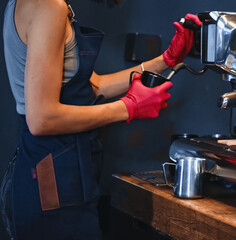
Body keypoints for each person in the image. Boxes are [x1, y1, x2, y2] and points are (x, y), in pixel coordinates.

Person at [0, 0, 202, 239]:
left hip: (53, 172)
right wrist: (128, 107)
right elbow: (41, 119)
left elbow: (93, 86)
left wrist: (167, 59)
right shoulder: (47, 5)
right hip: (52, 182)